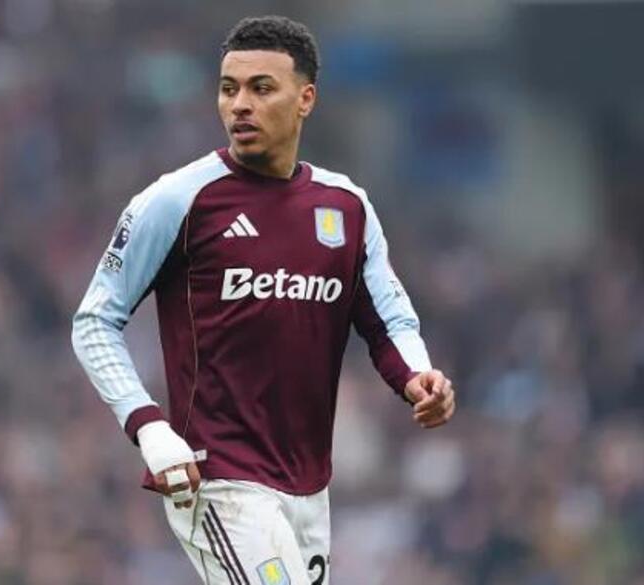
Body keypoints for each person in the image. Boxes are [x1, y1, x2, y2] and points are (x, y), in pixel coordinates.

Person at [72, 15, 455, 585]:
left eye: (261, 88)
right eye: (229, 89)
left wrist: (418, 377)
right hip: (217, 479)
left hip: (309, 489)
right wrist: (150, 426)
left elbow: (388, 320)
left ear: (306, 99)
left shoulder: (346, 208)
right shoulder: (177, 200)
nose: (240, 105)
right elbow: (94, 322)